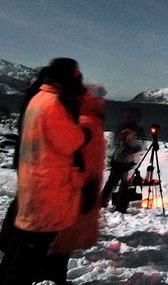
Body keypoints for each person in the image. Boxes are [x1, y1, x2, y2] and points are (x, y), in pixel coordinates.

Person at [0, 57, 89, 285]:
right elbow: (69, 141)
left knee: (22, 245)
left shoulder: (39, 97)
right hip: (47, 186)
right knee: (30, 251)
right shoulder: (54, 104)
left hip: (36, 180)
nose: (80, 78)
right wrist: (83, 133)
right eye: (77, 73)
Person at [42, 85, 108, 285]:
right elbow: (68, 159)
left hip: (82, 190)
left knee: (64, 242)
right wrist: (83, 186)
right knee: (61, 241)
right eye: (99, 98)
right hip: (75, 192)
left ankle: (52, 276)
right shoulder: (84, 125)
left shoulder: (89, 124)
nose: (103, 102)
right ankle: (51, 278)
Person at [99, 107, 143, 212]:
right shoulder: (125, 130)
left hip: (122, 160)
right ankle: (116, 205)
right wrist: (134, 148)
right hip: (121, 160)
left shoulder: (126, 128)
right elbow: (122, 146)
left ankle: (107, 203)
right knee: (118, 183)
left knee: (116, 182)